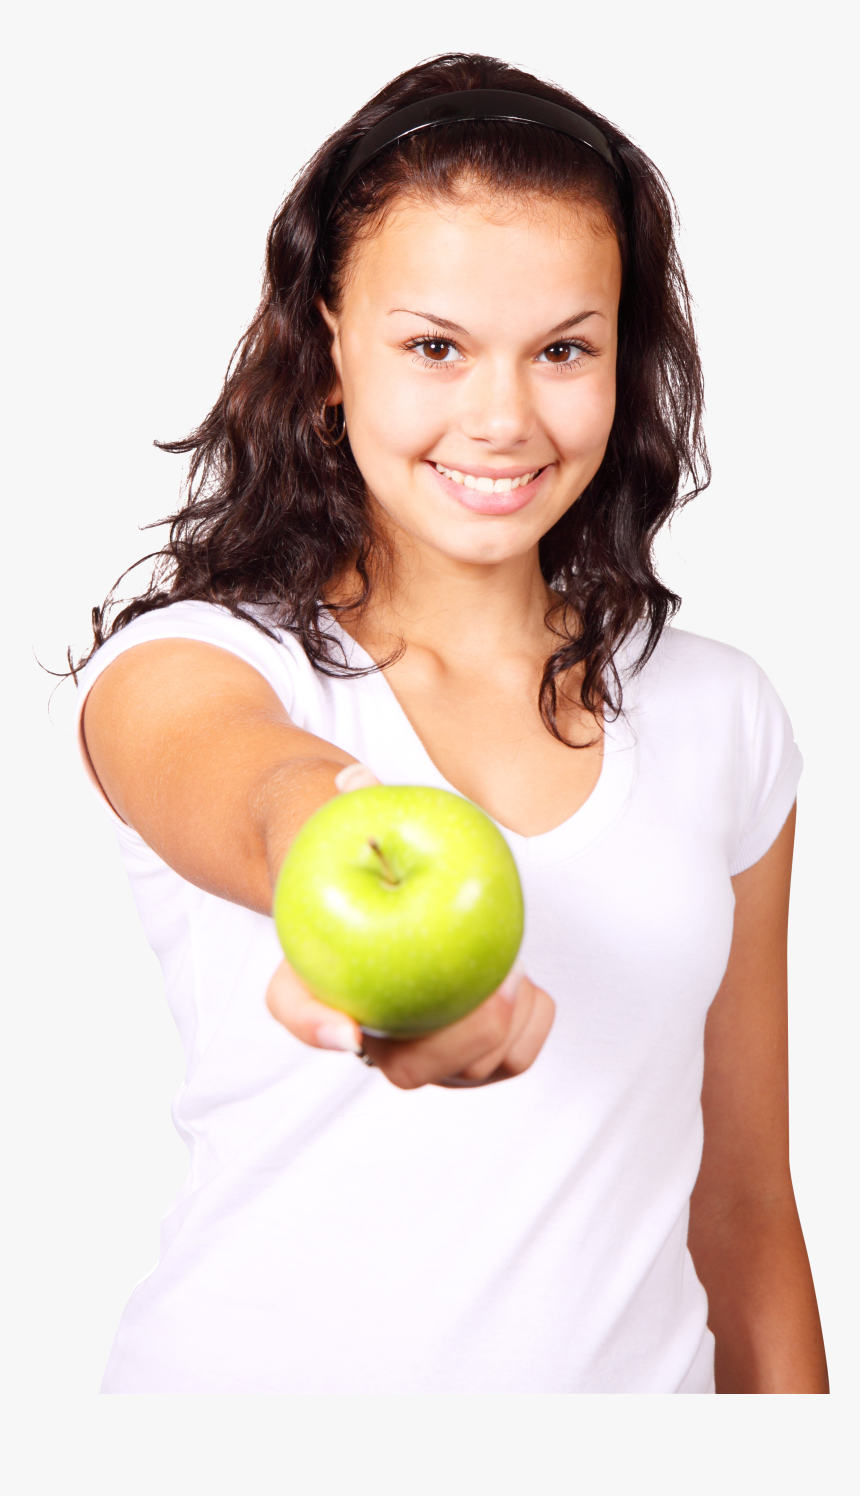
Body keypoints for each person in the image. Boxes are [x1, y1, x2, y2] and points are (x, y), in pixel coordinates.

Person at [73, 52, 828, 1394]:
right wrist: (357, 897)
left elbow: (749, 1205)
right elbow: (262, 791)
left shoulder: (725, 715)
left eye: (564, 350)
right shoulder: (191, 665)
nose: (502, 416)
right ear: (325, 357)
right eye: (434, 346)